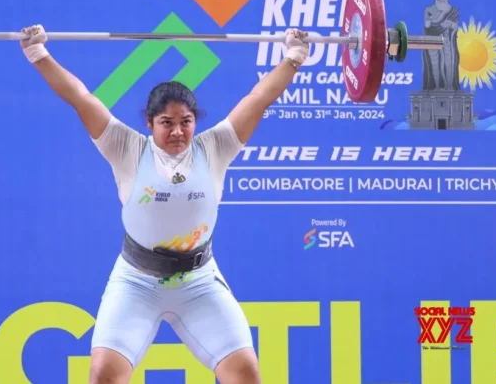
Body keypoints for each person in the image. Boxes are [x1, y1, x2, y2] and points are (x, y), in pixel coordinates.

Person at [20, 25, 310, 384]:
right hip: (136, 283)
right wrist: (38, 54)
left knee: (246, 374)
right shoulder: (127, 148)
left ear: (195, 121)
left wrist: (294, 57)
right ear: (149, 122)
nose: (177, 131)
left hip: (199, 283)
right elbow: (81, 97)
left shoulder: (215, 147)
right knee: (103, 376)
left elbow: (259, 98)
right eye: (166, 123)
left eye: (186, 122)